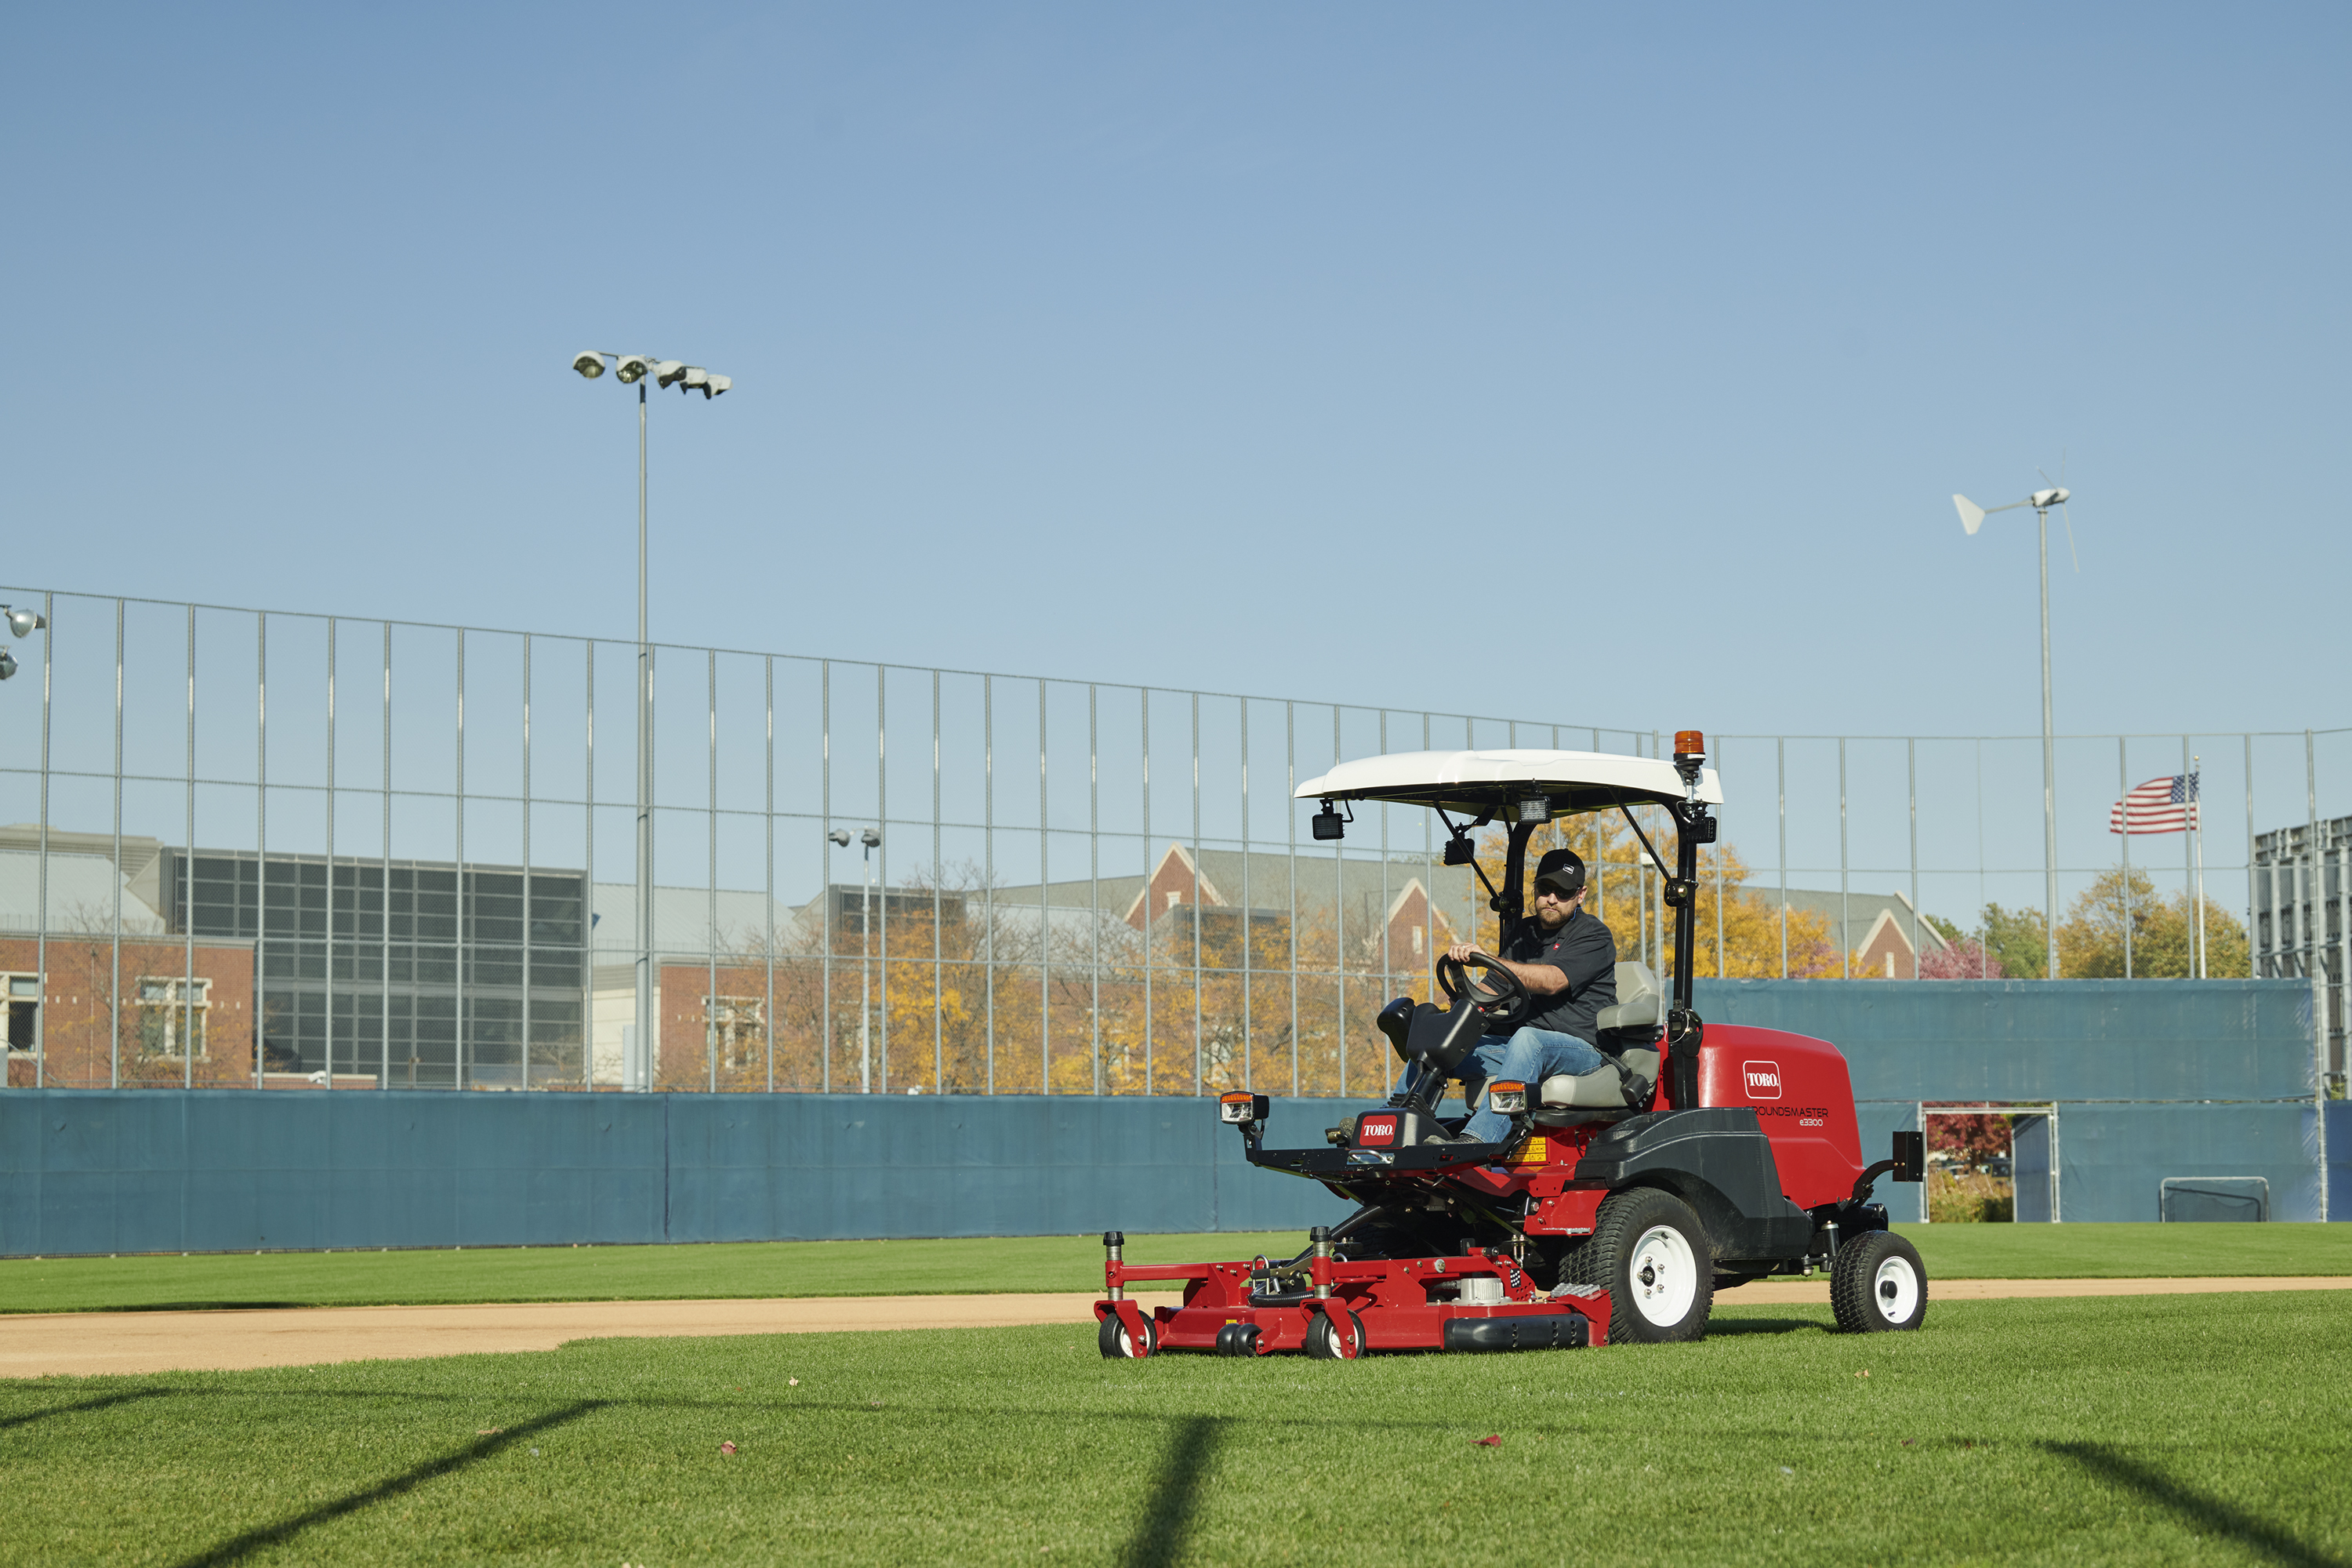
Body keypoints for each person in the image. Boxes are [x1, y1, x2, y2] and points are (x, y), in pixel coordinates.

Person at [1435, 847, 1618, 1145]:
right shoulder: (1524, 933)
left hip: (1585, 1052)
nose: (1552, 899)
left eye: (1563, 892)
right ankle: (1393, 1125)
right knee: (1442, 1042)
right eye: (1546, 890)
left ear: (1580, 895)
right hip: (1524, 1050)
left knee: (1527, 1038)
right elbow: (1492, 987)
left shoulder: (1594, 935)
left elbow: (1552, 981)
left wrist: (1488, 956)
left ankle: (1478, 1140)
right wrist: (1462, 993)